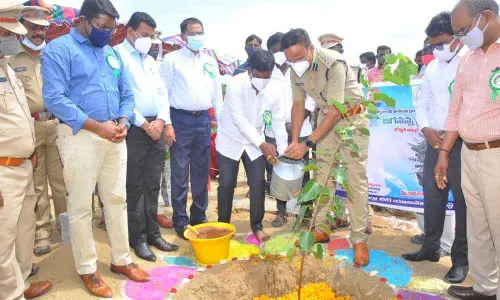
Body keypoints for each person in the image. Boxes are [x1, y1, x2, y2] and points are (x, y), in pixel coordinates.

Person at [42, 0, 151, 297]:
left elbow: (126, 93)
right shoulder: (60, 49)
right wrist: (97, 126)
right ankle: (87, 268)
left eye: (112, 27)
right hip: (80, 136)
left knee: (116, 199)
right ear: (84, 20)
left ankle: (121, 260)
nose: (107, 33)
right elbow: (55, 99)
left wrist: (124, 120)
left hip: (115, 134)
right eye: (103, 27)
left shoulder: (111, 52)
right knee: (80, 206)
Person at [282, 28, 370, 266]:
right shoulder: (293, 69)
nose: (295, 64)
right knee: (322, 176)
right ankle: (321, 227)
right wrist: (295, 140)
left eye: (299, 58)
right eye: (290, 60)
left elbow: (335, 111)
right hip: (324, 120)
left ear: (310, 48)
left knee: (354, 180)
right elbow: (298, 105)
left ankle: (359, 239)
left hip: (351, 120)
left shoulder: (334, 63)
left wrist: (308, 142)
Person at [435, 0, 500, 299]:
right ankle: (486, 288)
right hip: (469, 154)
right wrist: (444, 153)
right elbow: (455, 110)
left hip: (496, 155)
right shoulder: (468, 59)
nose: (459, 39)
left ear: (485, 17)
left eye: (462, 30)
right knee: (478, 228)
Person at [402, 11, 468, 285]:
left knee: (464, 205)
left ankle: (461, 261)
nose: (437, 50)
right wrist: (426, 129)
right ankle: (431, 248)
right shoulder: (432, 67)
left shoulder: (469, 62)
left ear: (457, 38)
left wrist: (449, 136)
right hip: (435, 142)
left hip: (463, 143)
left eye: (441, 43)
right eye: (432, 45)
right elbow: (423, 103)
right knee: (432, 197)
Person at [115, 11, 179, 262]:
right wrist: (143, 123)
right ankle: (138, 238)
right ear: (130, 32)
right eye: (144, 35)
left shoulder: (151, 61)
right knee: (135, 186)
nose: (149, 40)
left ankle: (153, 234)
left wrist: (162, 121)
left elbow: (163, 94)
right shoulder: (117, 56)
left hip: (156, 127)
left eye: (151, 36)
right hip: (134, 130)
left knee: (153, 184)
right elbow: (120, 96)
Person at [0, 2, 52, 299]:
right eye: (6, 33)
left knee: (23, 231)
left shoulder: (6, 66)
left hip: (22, 165)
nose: (12, 38)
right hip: (3, 171)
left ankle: (20, 282)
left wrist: (29, 148)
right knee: (3, 242)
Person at [8, 5, 67, 257]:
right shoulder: (11, 58)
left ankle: (66, 228)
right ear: (22, 29)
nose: (38, 33)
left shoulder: (53, 55)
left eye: (42, 29)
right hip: (28, 128)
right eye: (33, 28)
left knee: (61, 181)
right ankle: (42, 233)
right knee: (38, 184)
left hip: (55, 124)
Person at [159, 17, 223, 240]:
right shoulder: (171, 59)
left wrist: (221, 123)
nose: (198, 38)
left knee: (200, 170)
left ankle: (199, 215)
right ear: (183, 36)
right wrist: (167, 123)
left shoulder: (209, 61)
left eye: (201, 33)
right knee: (179, 172)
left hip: (203, 121)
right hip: (180, 120)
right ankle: (180, 219)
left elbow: (217, 94)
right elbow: (163, 94)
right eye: (194, 34)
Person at [216, 49, 286, 242]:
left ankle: (257, 225)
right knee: (226, 184)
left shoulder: (274, 90)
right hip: (230, 138)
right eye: (258, 76)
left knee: (258, 183)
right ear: (249, 70)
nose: (262, 80)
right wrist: (263, 144)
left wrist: (281, 149)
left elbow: (278, 122)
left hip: (255, 142)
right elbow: (238, 119)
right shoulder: (235, 84)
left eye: (267, 76)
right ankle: (224, 225)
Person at [265, 32, 315, 227]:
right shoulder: (269, 72)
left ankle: (305, 212)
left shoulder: (302, 67)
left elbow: (311, 97)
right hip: (274, 130)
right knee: (277, 169)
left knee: (302, 170)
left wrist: (296, 122)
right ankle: (281, 211)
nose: (280, 55)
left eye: (281, 51)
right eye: (275, 51)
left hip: (301, 128)